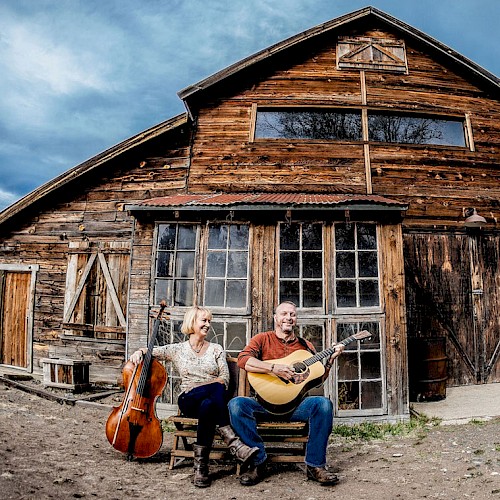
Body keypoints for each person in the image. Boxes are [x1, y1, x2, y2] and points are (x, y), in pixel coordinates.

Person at [129, 305, 258, 488]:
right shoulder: (178, 349)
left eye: (209, 321)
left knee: (209, 403)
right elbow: (151, 352)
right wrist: (139, 351)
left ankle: (201, 469)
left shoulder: (216, 349)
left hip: (211, 401)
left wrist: (203, 385)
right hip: (189, 399)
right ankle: (234, 444)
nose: (208, 324)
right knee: (214, 390)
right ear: (192, 322)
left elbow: (224, 380)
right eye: (204, 320)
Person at [228, 301, 345, 486]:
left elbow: (317, 378)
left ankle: (315, 466)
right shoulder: (262, 339)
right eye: (284, 314)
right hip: (264, 405)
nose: (289, 318)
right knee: (236, 405)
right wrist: (273, 368)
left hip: (296, 406)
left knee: (323, 404)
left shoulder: (305, 346)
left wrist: (329, 362)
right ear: (276, 318)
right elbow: (243, 360)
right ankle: (259, 462)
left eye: (292, 314)